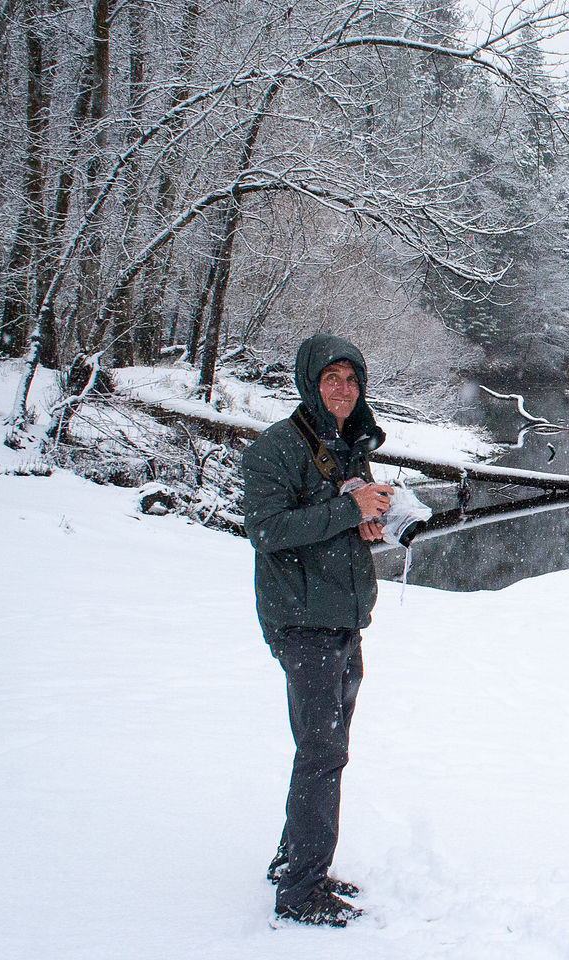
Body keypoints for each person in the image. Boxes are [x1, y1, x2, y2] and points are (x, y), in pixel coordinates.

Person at [241, 333, 400, 927]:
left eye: (352, 380)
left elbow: (331, 521)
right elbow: (266, 530)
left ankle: (294, 861)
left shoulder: (347, 445)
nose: (343, 389)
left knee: (324, 748)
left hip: (341, 618)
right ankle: (301, 892)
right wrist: (348, 511)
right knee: (322, 752)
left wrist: (367, 523)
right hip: (301, 621)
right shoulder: (277, 448)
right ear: (310, 383)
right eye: (332, 378)